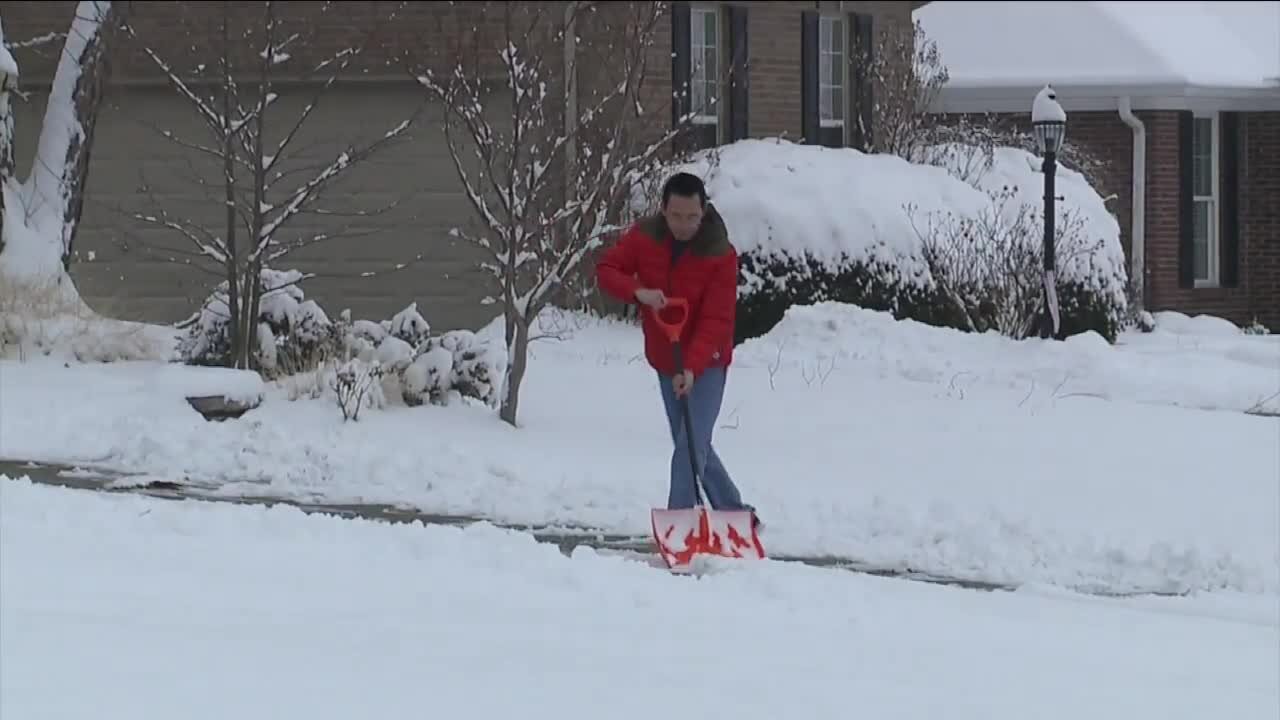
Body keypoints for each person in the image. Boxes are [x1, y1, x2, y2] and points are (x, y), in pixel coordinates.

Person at [595, 172, 761, 531]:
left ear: (704, 213)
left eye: (692, 217)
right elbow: (607, 270)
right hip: (665, 357)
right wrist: (638, 292)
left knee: (689, 448)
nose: (683, 225)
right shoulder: (645, 237)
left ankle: (679, 528)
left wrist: (693, 367)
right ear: (664, 211)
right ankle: (736, 513)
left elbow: (716, 320)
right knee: (691, 444)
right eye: (676, 216)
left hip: (708, 362)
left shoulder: (719, 253)